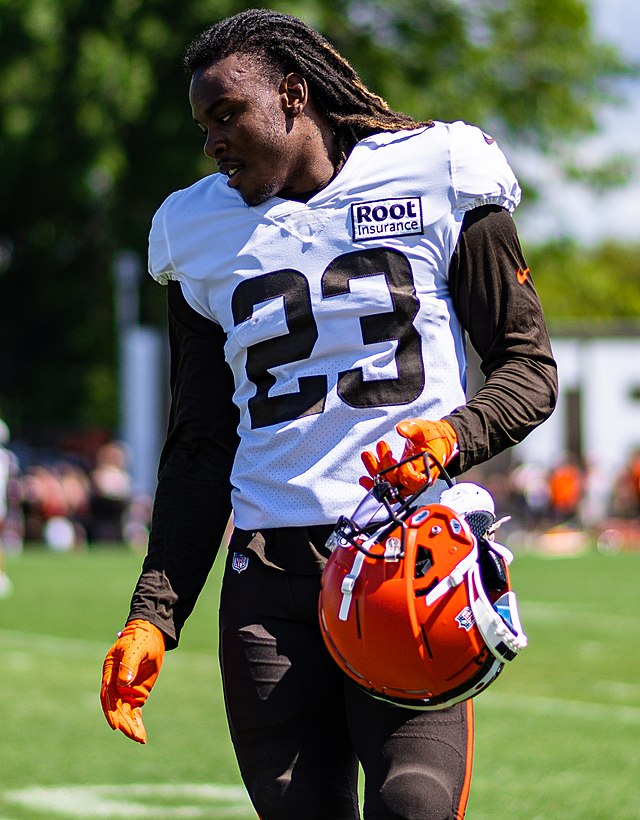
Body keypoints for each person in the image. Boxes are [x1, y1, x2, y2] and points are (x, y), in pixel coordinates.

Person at [100, 9, 557, 819]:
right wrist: (153, 614)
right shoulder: (196, 231)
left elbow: (528, 368)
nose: (211, 142)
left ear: (294, 93)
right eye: (203, 124)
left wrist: (452, 436)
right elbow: (202, 445)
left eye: (226, 114)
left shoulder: (438, 170)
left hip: (407, 555)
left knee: (413, 804)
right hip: (270, 578)